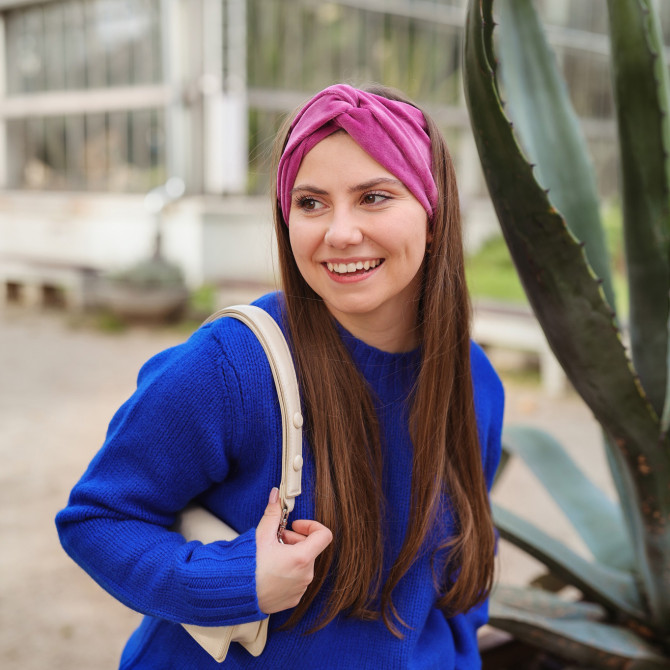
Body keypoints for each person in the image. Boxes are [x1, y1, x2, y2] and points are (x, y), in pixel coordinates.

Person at [56, 83, 504, 669]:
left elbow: (458, 563)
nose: (339, 233)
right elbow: (98, 518)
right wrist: (236, 581)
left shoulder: (472, 381)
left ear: (433, 209)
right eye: (311, 203)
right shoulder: (233, 365)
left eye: (373, 197)